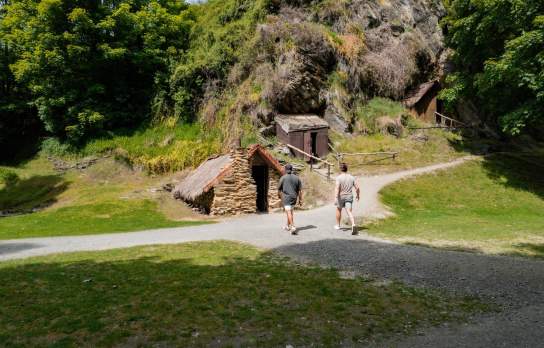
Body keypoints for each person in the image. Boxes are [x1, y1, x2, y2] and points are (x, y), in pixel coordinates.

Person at [334, 162, 360, 235]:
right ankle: (353, 224)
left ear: (340, 169)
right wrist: (358, 196)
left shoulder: (339, 178)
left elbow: (337, 188)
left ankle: (338, 225)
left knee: (339, 209)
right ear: (346, 169)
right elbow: (357, 188)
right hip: (349, 196)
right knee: (349, 211)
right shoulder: (352, 177)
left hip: (341, 196)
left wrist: (336, 197)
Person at [278, 164, 303, 235]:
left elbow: (279, 189)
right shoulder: (297, 178)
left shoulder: (283, 178)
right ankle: (287, 226)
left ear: (286, 170)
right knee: (290, 211)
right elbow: (300, 190)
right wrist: (300, 200)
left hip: (287, 198)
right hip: (294, 197)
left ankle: (292, 226)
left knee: (288, 212)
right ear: (291, 169)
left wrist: (279, 196)